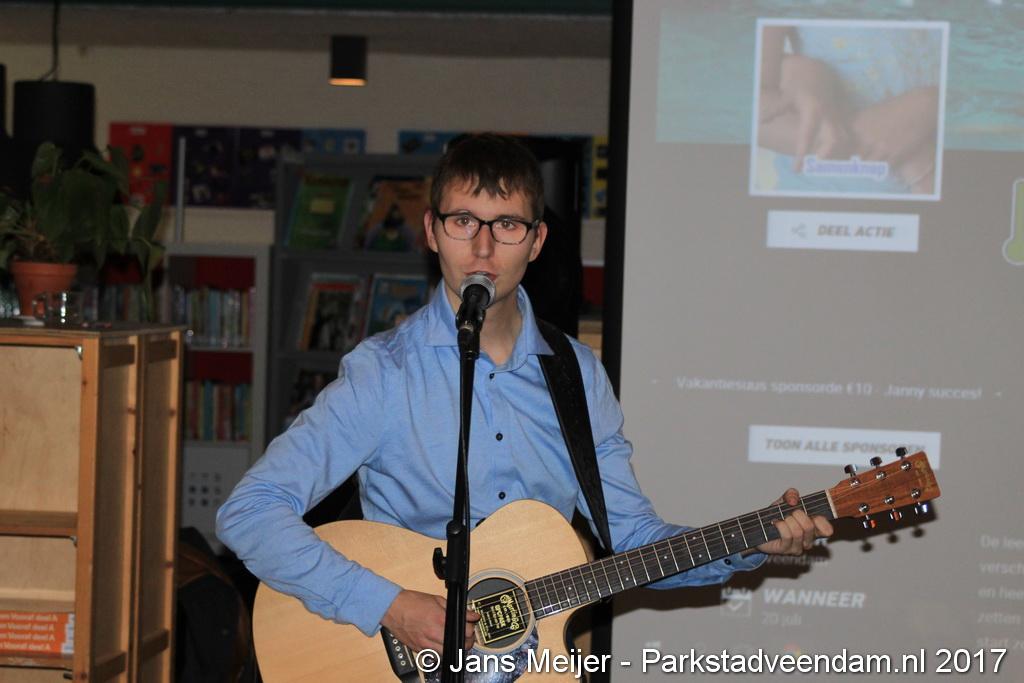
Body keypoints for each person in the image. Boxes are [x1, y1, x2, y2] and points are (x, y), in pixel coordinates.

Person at [216, 133, 833, 656]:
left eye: (506, 225)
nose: (483, 249)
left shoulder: (578, 376)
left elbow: (632, 540)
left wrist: (748, 543)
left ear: (536, 242)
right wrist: (391, 605)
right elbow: (249, 512)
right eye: (463, 222)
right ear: (432, 231)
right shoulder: (383, 374)